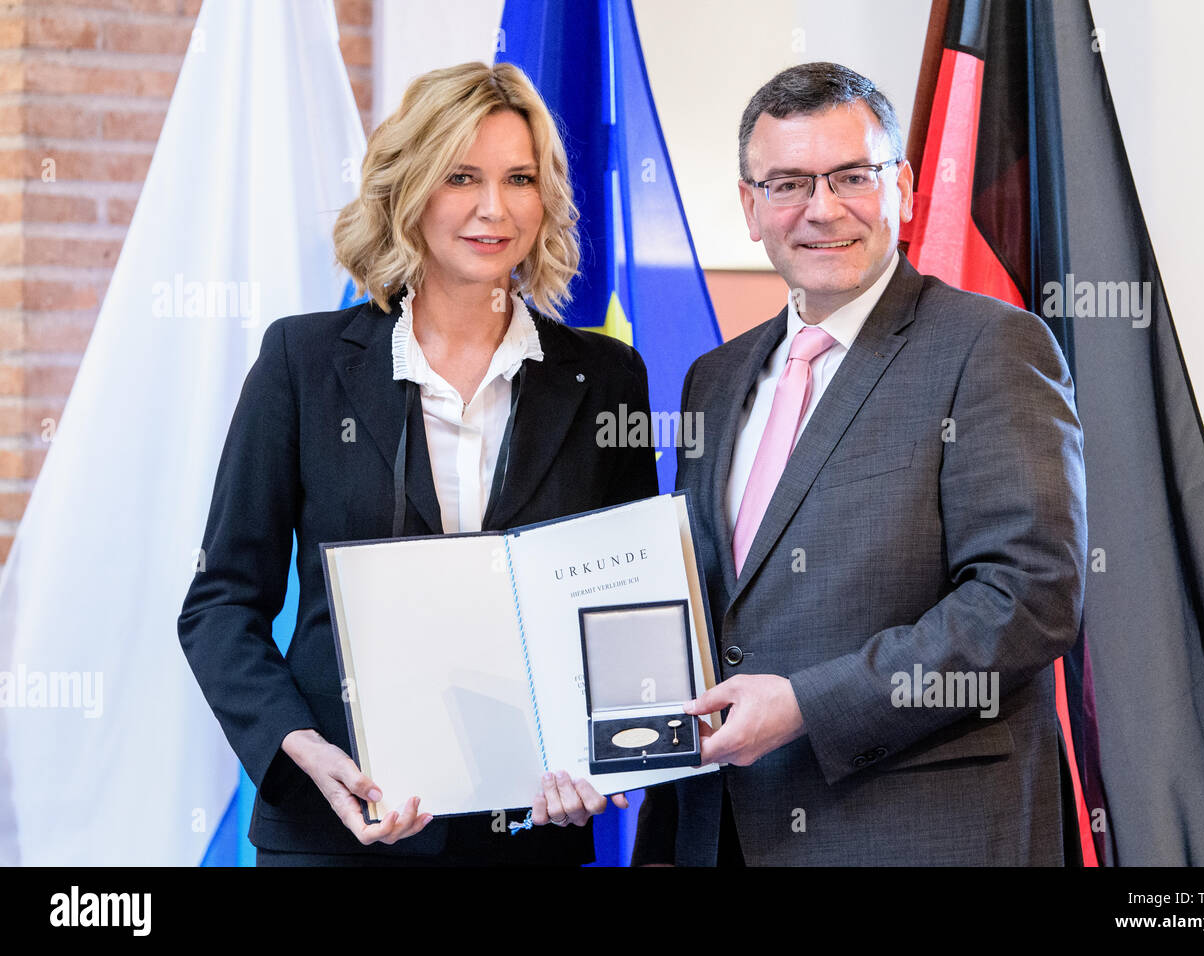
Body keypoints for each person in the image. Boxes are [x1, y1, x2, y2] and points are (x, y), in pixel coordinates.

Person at [177, 62, 656, 866]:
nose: (493, 208)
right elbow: (221, 603)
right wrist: (298, 747)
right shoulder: (303, 361)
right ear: (411, 189)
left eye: (520, 179)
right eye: (461, 176)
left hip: (529, 833)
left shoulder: (607, 378)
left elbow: (629, 608)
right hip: (337, 828)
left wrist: (611, 755)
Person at [632, 62, 1086, 866]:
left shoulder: (991, 347)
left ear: (903, 186)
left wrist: (809, 703)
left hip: (916, 832)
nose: (822, 210)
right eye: (787, 184)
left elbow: (1027, 598)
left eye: (852, 176)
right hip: (720, 829)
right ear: (749, 206)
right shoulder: (714, 379)